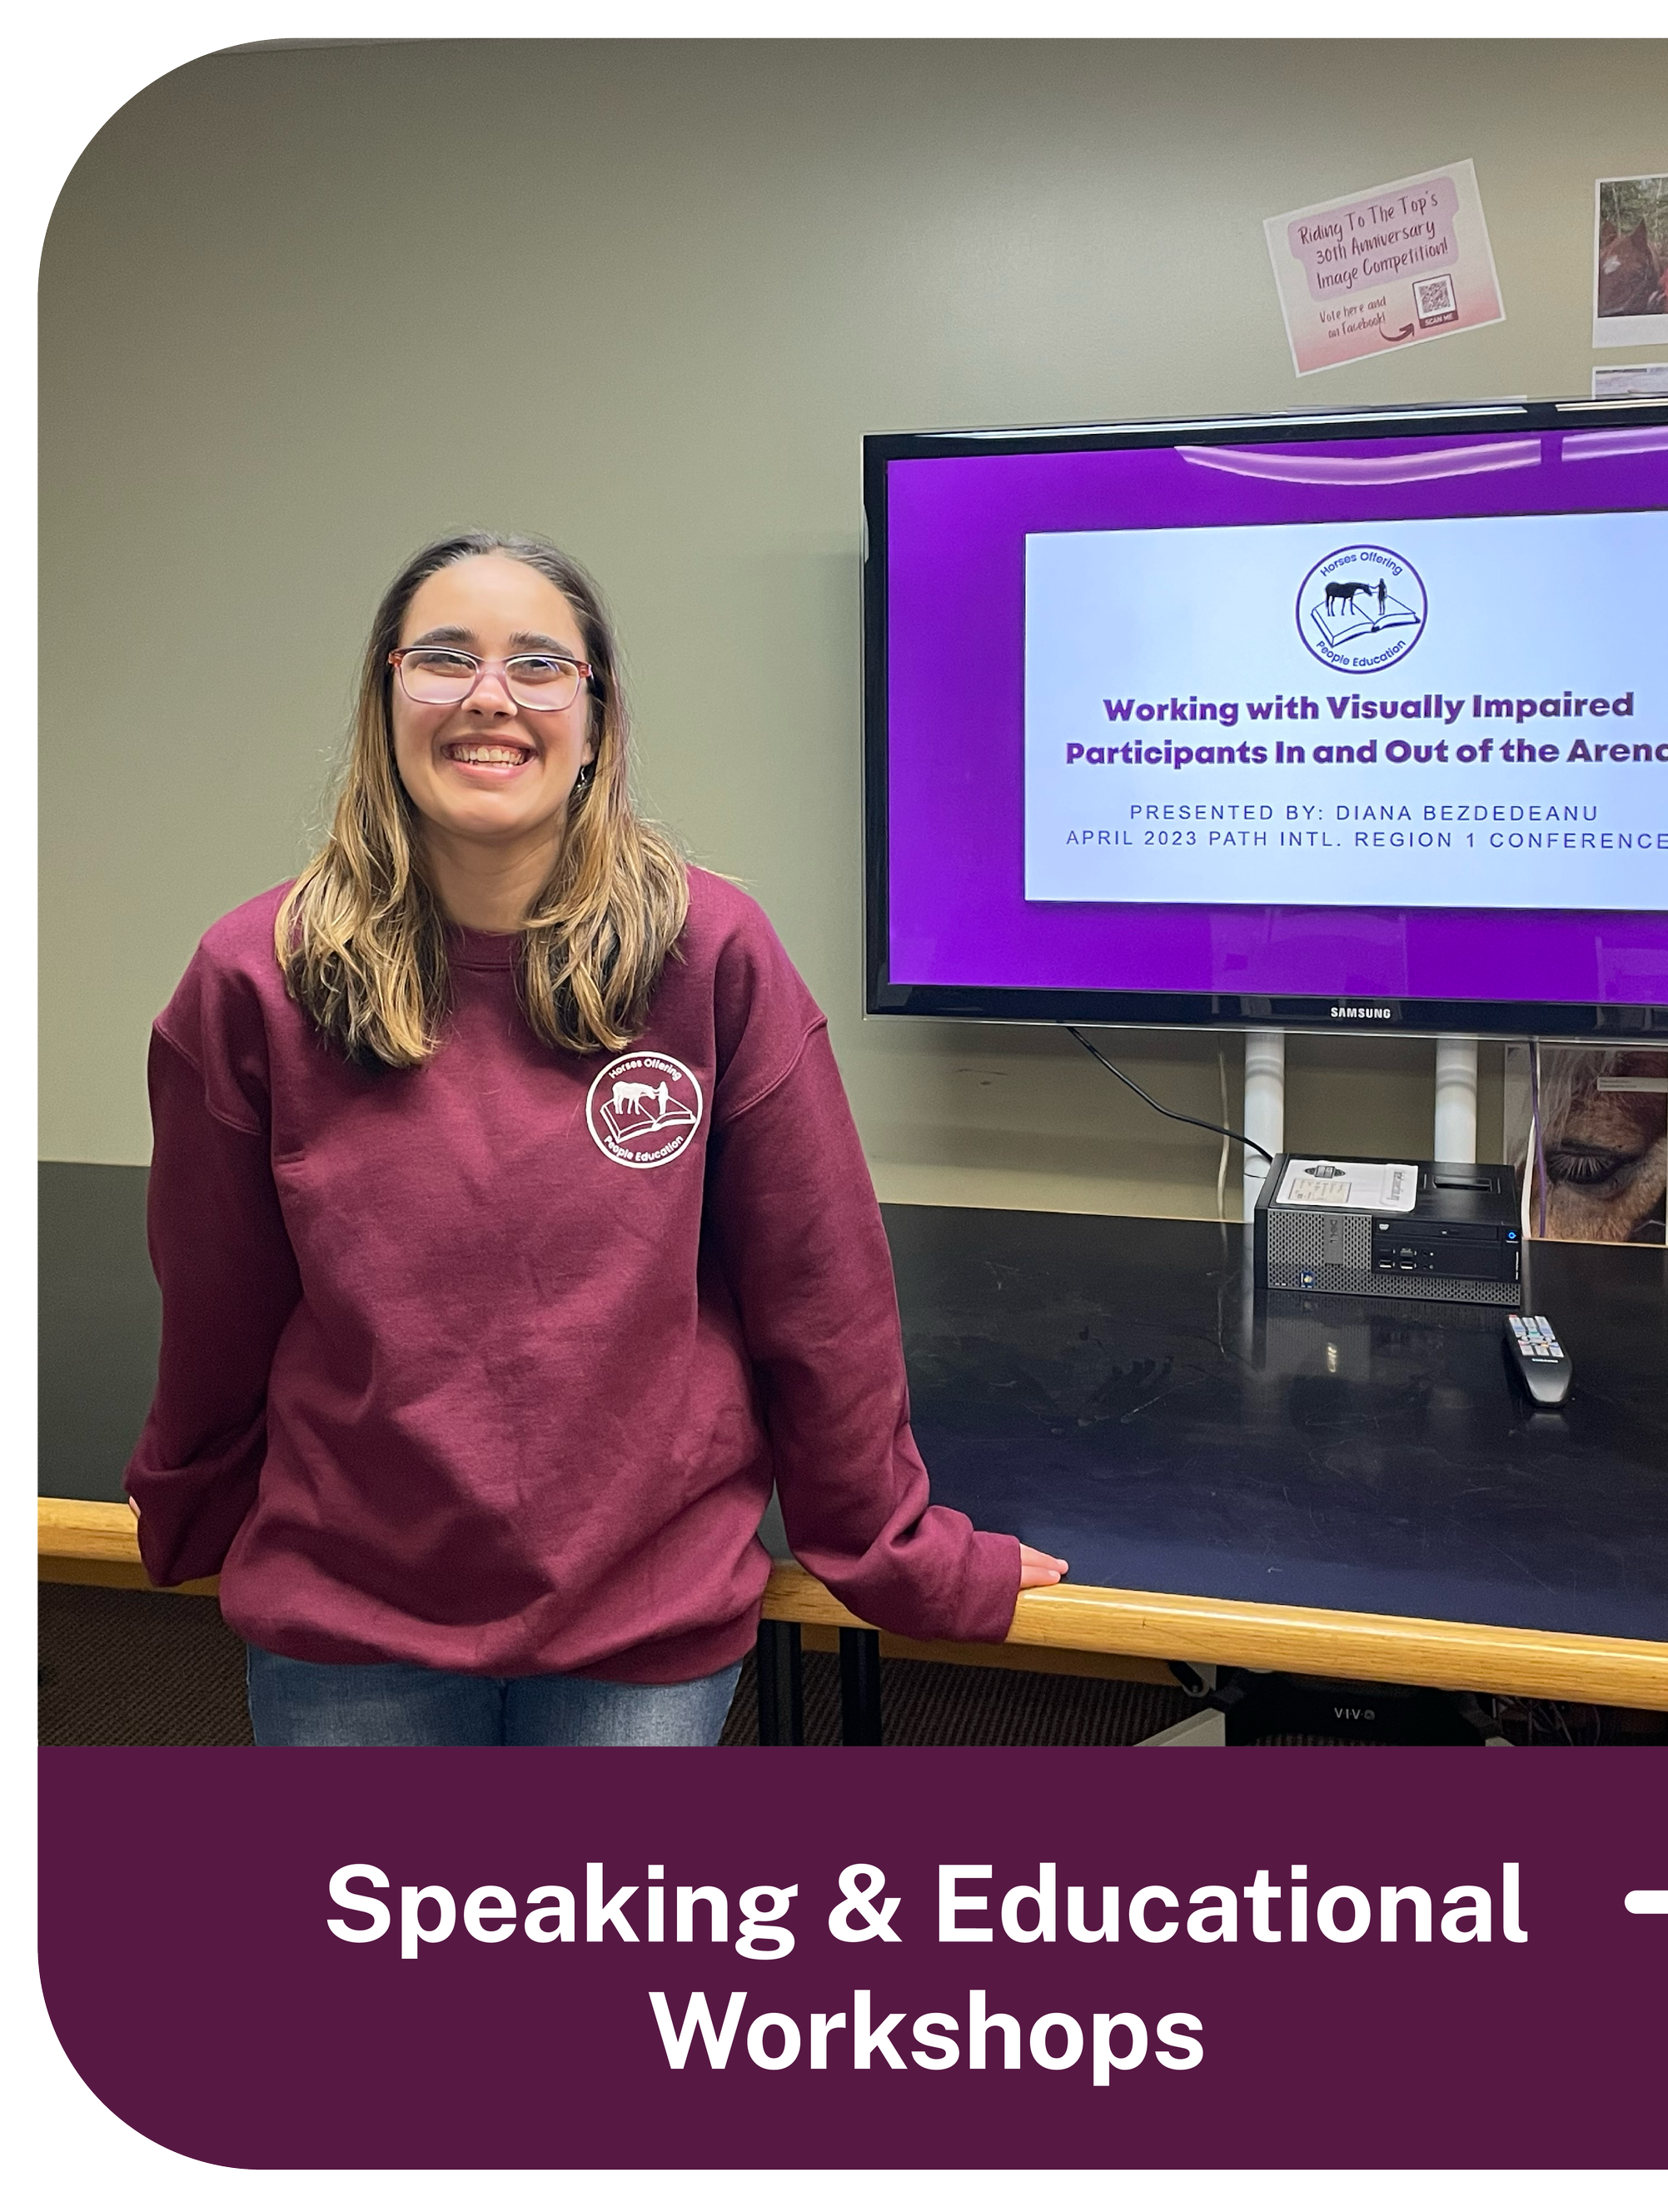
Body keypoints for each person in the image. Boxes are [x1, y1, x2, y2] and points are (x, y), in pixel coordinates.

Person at [123, 532, 1067, 1747]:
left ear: (595, 713)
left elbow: (818, 1290)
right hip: (350, 1610)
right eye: (443, 659)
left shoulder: (712, 952)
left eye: (538, 666)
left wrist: (893, 1547)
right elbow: (217, 1302)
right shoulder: (255, 978)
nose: (488, 699)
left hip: (643, 1621)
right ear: (385, 698)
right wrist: (187, 1505)